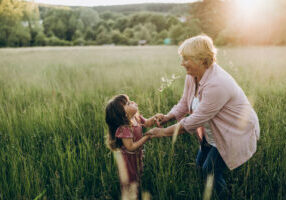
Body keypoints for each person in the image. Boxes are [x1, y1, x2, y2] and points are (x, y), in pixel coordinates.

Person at [148, 35, 260, 197]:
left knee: (210, 171)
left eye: (186, 59)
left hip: (233, 133)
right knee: (200, 165)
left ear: (201, 59)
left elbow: (194, 121)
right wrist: (168, 116)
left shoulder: (217, 84)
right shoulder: (192, 76)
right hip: (212, 133)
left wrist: (164, 132)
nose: (182, 63)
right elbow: (185, 103)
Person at [105, 94, 162, 198]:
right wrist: (146, 137)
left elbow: (147, 123)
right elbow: (130, 146)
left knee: (137, 174)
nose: (131, 102)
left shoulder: (136, 118)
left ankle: (136, 191)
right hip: (128, 158)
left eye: (129, 100)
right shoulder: (124, 128)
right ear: (124, 114)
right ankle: (129, 195)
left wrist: (154, 118)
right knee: (130, 179)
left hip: (136, 154)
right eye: (127, 103)